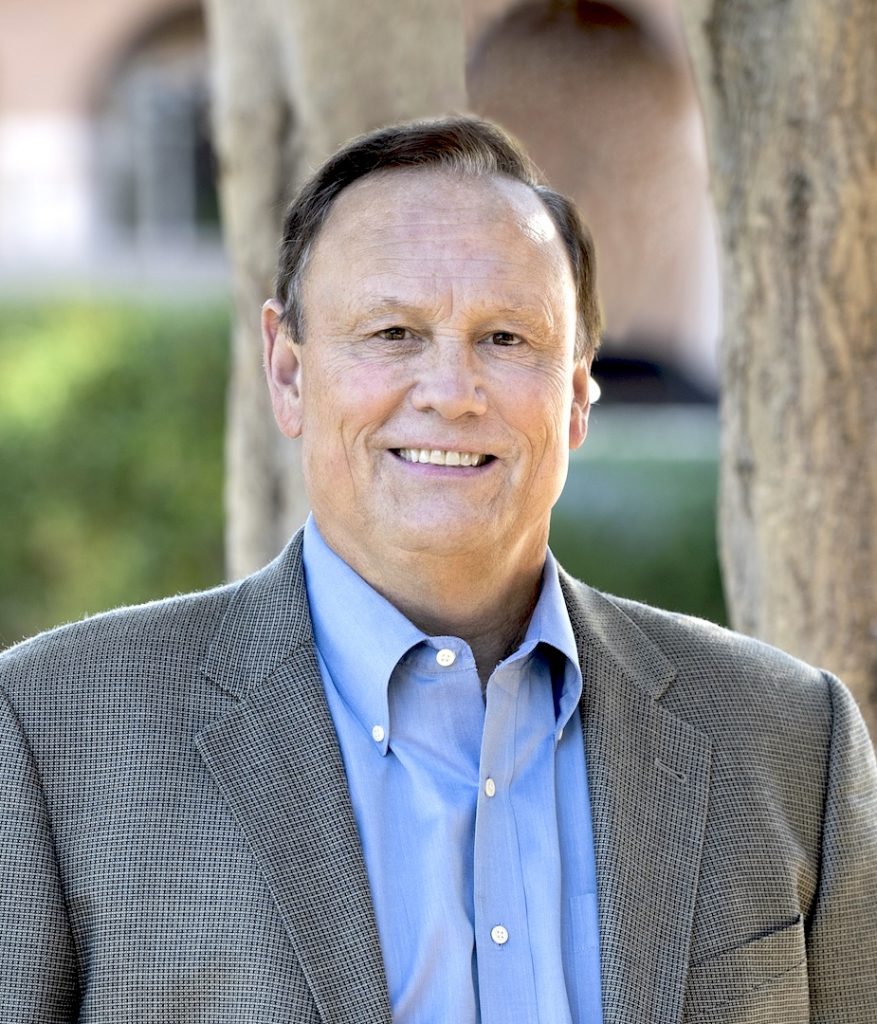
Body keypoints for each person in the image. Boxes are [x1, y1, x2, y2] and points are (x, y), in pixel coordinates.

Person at [0, 116, 875, 1024]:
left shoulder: (785, 739)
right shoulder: (53, 732)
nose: (451, 393)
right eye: (393, 332)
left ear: (575, 394)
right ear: (289, 372)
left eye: (506, 339)